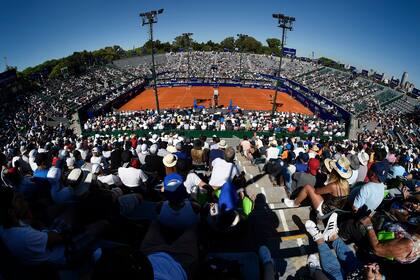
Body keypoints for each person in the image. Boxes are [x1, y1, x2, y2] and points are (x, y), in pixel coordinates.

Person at [305, 213, 385, 280]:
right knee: (350, 259)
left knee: (334, 271)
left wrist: (369, 278)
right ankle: (332, 236)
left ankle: (319, 239)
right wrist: (379, 276)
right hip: (359, 273)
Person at [284, 157, 352, 217]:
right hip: (335, 211)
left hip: (325, 211)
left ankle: (295, 203)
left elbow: (317, 191)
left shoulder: (333, 185)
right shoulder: (346, 184)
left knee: (308, 187)